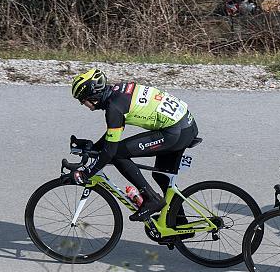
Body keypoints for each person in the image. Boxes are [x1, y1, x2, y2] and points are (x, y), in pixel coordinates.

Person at [70, 68, 199, 221]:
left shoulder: (114, 109)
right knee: (161, 175)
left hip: (175, 132)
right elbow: (114, 134)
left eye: (82, 100)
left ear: (93, 96)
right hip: (186, 126)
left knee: (118, 154)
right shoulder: (118, 91)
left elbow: (111, 151)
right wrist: (94, 148)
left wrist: (87, 174)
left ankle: (152, 199)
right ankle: (178, 221)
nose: (82, 104)